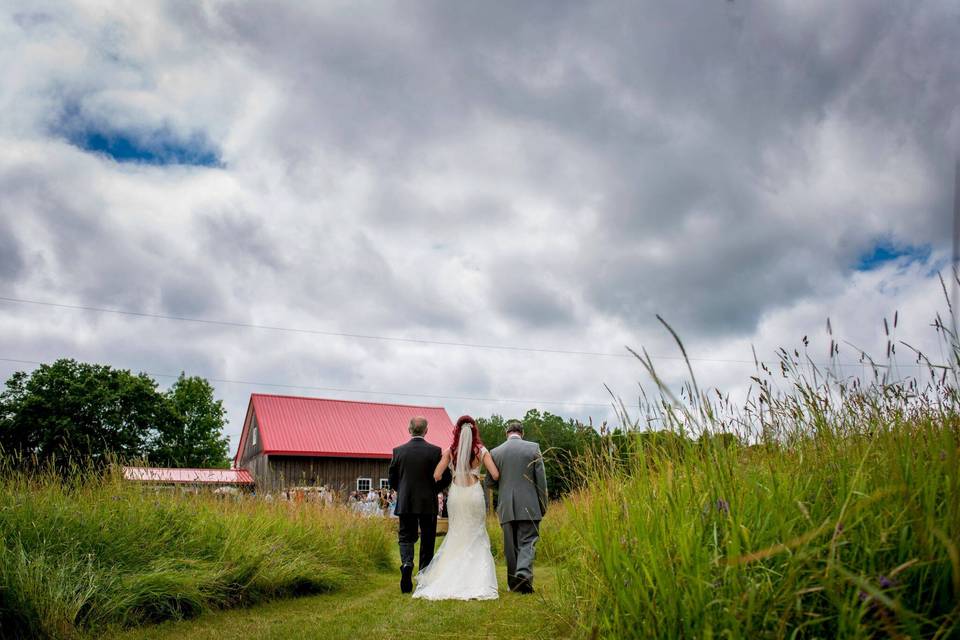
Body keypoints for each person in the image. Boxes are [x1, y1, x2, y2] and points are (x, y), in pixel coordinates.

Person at [412, 415, 500, 600]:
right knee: (476, 532)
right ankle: (476, 578)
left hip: (457, 495)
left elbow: (436, 474)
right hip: (474, 494)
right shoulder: (481, 451)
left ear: (457, 431)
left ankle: (448, 575)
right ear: (474, 430)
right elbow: (495, 474)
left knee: (457, 533)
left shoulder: (450, 451)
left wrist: (451, 478)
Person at [388, 416, 452, 593]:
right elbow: (446, 477)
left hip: (406, 500)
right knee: (428, 538)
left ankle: (407, 563)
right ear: (426, 430)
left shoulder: (398, 451)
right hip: (427, 502)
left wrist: (402, 490)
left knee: (405, 536)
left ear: (410, 430)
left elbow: (392, 479)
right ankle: (424, 575)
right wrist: (433, 489)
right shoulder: (435, 451)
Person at [485, 419, 547, 594]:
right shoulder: (533, 448)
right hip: (529, 503)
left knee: (510, 548)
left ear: (507, 433)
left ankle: (516, 585)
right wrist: (542, 504)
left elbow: (489, 482)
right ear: (522, 433)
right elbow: (541, 481)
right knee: (527, 541)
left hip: (506, 505)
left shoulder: (495, 452)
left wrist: (504, 488)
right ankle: (524, 574)